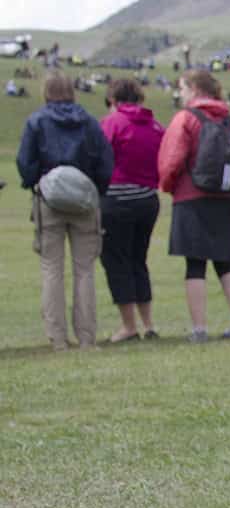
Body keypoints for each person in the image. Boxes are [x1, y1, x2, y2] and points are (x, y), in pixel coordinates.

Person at [16, 72, 113, 350]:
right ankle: (86, 338)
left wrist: (35, 182)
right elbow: (106, 161)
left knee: (51, 269)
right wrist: (96, 188)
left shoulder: (36, 121)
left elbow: (25, 162)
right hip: (84, 200)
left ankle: (57, 339)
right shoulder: (89, 122)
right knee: (85, 271)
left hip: (49, 199)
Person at [158, 69, 230, 340]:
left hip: (191, 197)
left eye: (182, 88)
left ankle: (199, 328)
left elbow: (171, 160)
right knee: (226, 261)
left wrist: (168, 186)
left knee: (195, 264)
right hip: (225, 199)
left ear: (193, 89)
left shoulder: (186, 119)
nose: (180, 94)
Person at [98, 77, 166, 342]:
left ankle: (128, 325)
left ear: (113, 101)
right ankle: (148, 322)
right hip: (148, 199)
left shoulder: (111, 124)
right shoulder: (156, 126)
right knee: (139, 260)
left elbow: (100, 159)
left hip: (115, 200)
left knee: (117, 261)